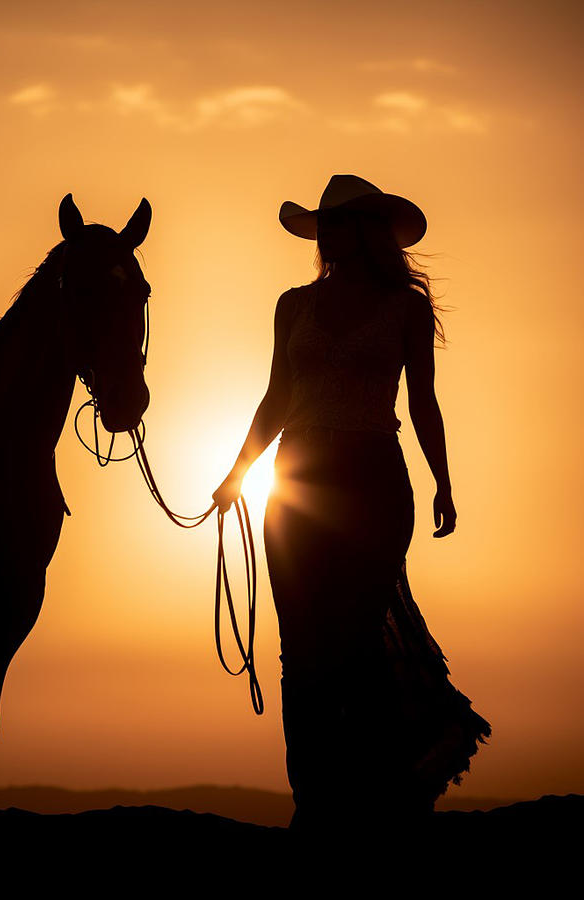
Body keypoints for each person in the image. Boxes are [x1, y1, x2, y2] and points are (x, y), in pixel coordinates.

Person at [212, 174, 491, 835]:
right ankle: (313, 802)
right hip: (298, 480)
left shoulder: (405, 309)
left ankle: (373, 800)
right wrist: (236, 475)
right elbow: (276, 397)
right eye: (324, 225)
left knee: (357, 644)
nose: (328, 237)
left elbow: (421, 398)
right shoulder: (293, 306)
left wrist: (444, 481)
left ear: (367, 232)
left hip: (372, 478)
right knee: (299, 648)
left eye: (338, 224)